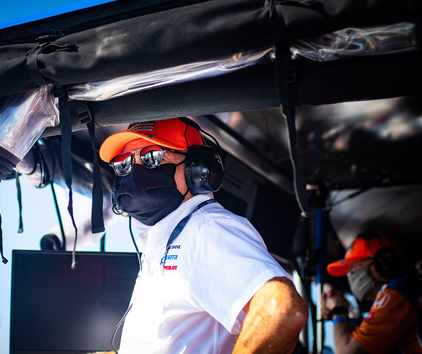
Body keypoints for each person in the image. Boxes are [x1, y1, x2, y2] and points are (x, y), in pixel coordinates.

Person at [99, 117, 308, 353]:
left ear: (197, 169)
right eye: (124, 164)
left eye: (151, 157)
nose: (134, 172)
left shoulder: (207, 228)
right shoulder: (168, 239)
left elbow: (280, 309)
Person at [321, 232, 422, 354]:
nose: (350, 275)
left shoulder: (396, 293)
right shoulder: (399, 293)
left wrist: (338, 309)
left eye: (355, 266)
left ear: (383, 263)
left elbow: (347, 352)